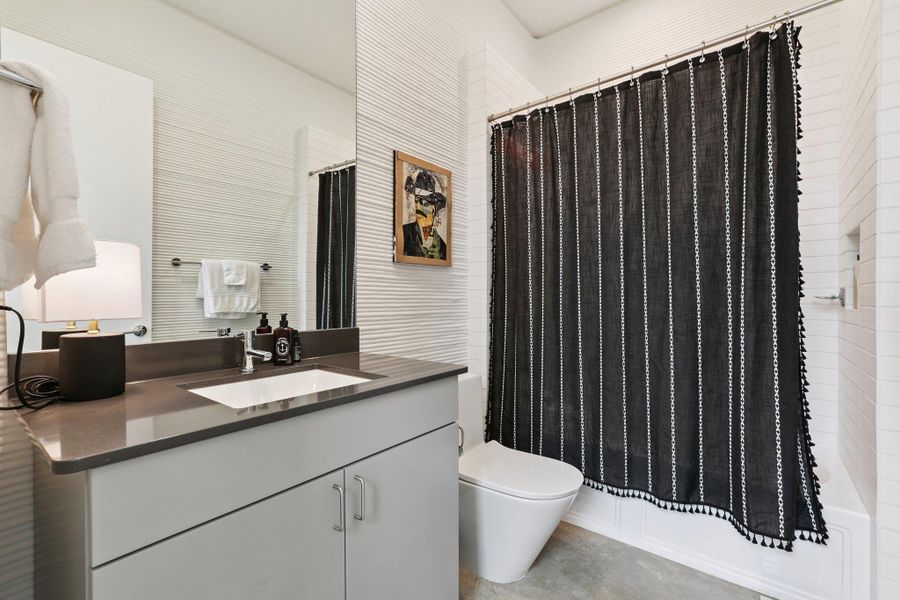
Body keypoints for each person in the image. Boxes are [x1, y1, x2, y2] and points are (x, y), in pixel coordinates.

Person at [402, 170, 447, 259]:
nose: (418, 207)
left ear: (434, 209)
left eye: (425, 203)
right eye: (417, 201)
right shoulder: (406, 233)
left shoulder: (443, 248)